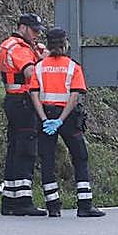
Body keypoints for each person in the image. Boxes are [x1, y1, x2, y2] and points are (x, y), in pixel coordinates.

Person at [35, 28, 105, 217]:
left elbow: (33, 93)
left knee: (47, 159)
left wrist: (44, 119)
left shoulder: (39, 66)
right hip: (67, 117)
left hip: (45, 115)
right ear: (65, 44)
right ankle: (84, 205)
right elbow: (74, 96)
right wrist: (60, 120)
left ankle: (53, 207)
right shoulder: (73, 67)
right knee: (80, 156)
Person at [0, 13, 49, 216]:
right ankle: (23, 200)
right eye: (34, 30)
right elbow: (30, 73)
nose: (36, 34)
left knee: (14, 150)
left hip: (16, 101)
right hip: (23, 102)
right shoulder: (17, 47)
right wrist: (45, 63)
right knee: (26, 150)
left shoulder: (22, 46)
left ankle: (9, 199)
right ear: (23, 27)